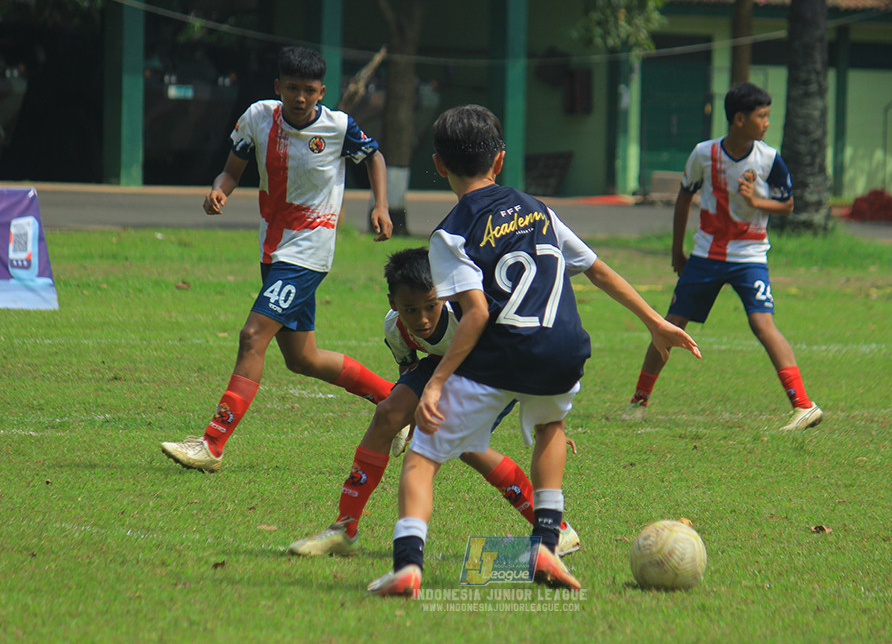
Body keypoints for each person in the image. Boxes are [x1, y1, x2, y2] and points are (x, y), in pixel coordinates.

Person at [367, 105, 701, 598]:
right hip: (563, 349)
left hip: (501, 352)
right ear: (499, 161)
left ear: (439, 166)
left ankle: (408, 566)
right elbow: (596, 267)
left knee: (421, 455)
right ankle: (545, 542)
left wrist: (435, 382)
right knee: (549, 427)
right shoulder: (537, 208)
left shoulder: (450, 231)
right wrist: (655, 322)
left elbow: (476, 314)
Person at [161, 46, 395, 472]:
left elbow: (374, 155)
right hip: (273, 247)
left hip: (309, 251)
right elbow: (232, 169)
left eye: (309, 90)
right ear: (278, 88)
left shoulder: (338, 126)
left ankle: (211, 444)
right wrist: (220, 191)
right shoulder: (257, 117)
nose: (301, 97)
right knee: (302, 358)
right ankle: (395, 402)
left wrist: (381, 205)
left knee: (253, 335)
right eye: (292, 88)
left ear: (322, 91)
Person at [287, 247, 581, 559]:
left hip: (491, 368)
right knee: (387, 413)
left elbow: (520, 357)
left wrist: (547, 423)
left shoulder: (470, 315)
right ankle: (344, 528)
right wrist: (406, 413)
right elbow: (408, 372)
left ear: (445, 293)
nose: (423, 319)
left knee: (467, 448)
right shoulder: (395, 327)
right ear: (393, 304)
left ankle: (556, 529)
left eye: (431, 306)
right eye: (410, 309)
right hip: (439, 365)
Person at [624, 82, 822, 432]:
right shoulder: (704, 154)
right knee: (671, 324)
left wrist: (756, 202)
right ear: (739, 119)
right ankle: (638, 402)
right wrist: (677, 251)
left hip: (750, 256)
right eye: (762, 116)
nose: (766, 123)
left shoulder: (769, 158)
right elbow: (684, 199)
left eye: (768, 116)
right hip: (706, 255)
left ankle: (803, 406)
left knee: (763, 325)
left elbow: (787, 204)